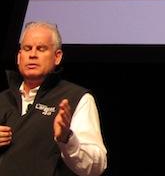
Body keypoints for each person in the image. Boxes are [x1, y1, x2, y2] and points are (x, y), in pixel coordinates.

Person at [0, 21, 107, 176]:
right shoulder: (3, 99)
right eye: (27, 48)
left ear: (57, 57)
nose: (32, 55)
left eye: (41, 49)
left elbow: (96, 166)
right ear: (18, 57)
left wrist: (67, 138)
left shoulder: (76, 98)